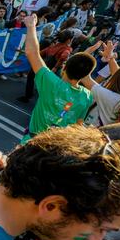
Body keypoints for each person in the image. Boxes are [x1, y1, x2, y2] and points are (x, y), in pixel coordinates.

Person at [21, 14, 94, 143]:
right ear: (84, 76)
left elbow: (32, 52)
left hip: (31, 144)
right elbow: (78, 124)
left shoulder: (50, 83)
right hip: (56, 151)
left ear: (64, 68)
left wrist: (31, 26)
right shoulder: (87, 96)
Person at [18, 29, 75, 103]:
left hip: (43, 66)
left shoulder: (53, 46)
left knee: (32, 76)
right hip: (52, 70)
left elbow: (39, 53)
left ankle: (28, 96)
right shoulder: (67, 49)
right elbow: (64, 57)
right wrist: (55, 68)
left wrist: (24, 52)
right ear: (68, 40)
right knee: (49, 87)